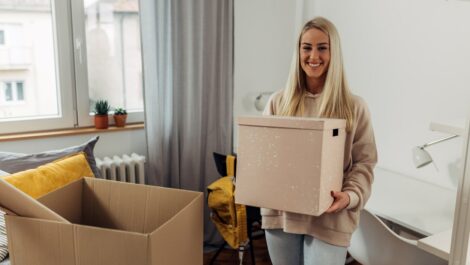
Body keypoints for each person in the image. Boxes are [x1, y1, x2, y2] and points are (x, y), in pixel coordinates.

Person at [262, 17, 378, 265]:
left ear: (333, 51)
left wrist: (350, 196)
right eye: (307, 47)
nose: (313, 55)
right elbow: (264, 159)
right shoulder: (277, 103)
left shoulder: (354, 107)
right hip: (282, 215)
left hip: (330, 217)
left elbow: (364, 163)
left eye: (322, 47)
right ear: (298, 51)